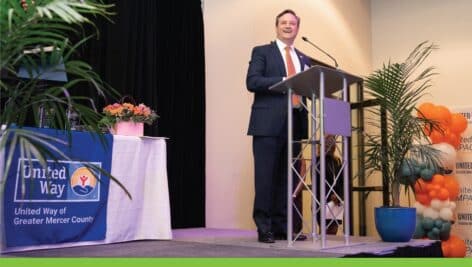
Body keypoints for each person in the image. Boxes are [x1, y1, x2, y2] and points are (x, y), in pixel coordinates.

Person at [246, 9, 311, 243]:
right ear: (276, 27)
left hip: (295, 125)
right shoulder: (262, 52)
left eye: (292, 23)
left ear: (297, 28)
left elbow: (308, 88)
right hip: (267, 124)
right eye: (283, 23)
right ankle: (264, 228)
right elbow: (252, 82)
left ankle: (284, 227)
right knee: (265, 178)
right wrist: (282, 81)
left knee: (288, 179)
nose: (287, 26)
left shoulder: (303, 58)